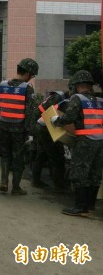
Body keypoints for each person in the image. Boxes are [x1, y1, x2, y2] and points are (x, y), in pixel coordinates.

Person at [52, 70, 103, 216]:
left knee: (80, 172)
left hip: (85, 142)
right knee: (95, 173)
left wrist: (56, 121)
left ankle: (80, 207)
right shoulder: (99, 100)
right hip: (100, 142)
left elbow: (69, 117)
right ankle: (90, 207)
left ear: (77, 85)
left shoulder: (77, 98)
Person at [0, 58, 39, 195]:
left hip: (3, 126)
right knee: (18, 157)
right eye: (32, 75)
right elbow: (29, 112)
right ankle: (16, 187)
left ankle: (4, 182)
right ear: (28, 73)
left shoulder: (2, 84)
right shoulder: (27, 88)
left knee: (5, 154)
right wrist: (30, 133)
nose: (31, 79)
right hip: (19, 129)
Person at [32, 90, 68, 190]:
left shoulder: (56, 97)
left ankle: (36, 181)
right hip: (47, 125)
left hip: (40, 122)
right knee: (58, 156)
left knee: (42, 153)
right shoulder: (65, 101)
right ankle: (59, 186)